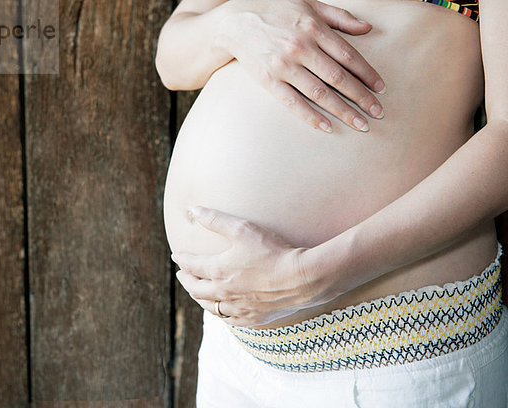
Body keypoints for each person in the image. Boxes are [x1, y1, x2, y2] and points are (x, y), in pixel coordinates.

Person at [156, 0, 508, 406]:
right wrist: (230, 24)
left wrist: (315, 275)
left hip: (391, 353)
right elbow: (172, 55)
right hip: (235, 348)